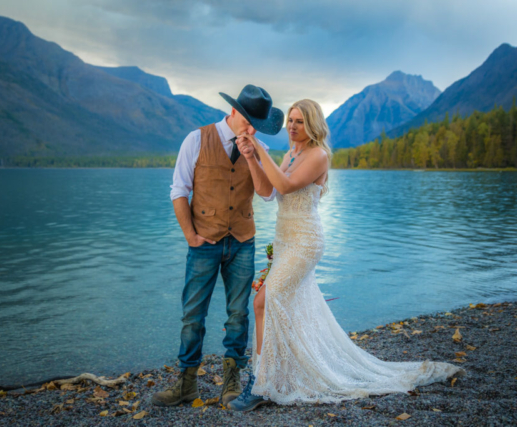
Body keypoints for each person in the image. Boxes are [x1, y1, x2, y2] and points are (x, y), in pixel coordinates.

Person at [227, 99, 464, 411]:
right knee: (275, 306)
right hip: (284, 241)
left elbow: (284, 182)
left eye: (300, 121)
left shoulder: (318, 156)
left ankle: (261, 383)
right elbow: (268, 192)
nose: (293, 127)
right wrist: (250, 158)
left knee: (263, 302)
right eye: (291, 121)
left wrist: (258, 149)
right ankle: (271, 377)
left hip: (304, 243)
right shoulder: (290, 154)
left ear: (312, 125)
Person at [151, 85, 284, 407]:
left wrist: (252, 155)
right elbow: (178, 190)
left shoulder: (259, 146)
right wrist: (191, 236)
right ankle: (186, 384)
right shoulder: (196, 139)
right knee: (192, 316)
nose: (252, 129)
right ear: (234, 111)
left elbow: (268, 194)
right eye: (249, 121)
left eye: (258, 125)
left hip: (242, 241)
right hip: (203, 243)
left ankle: (232, 383)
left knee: (238, 315)